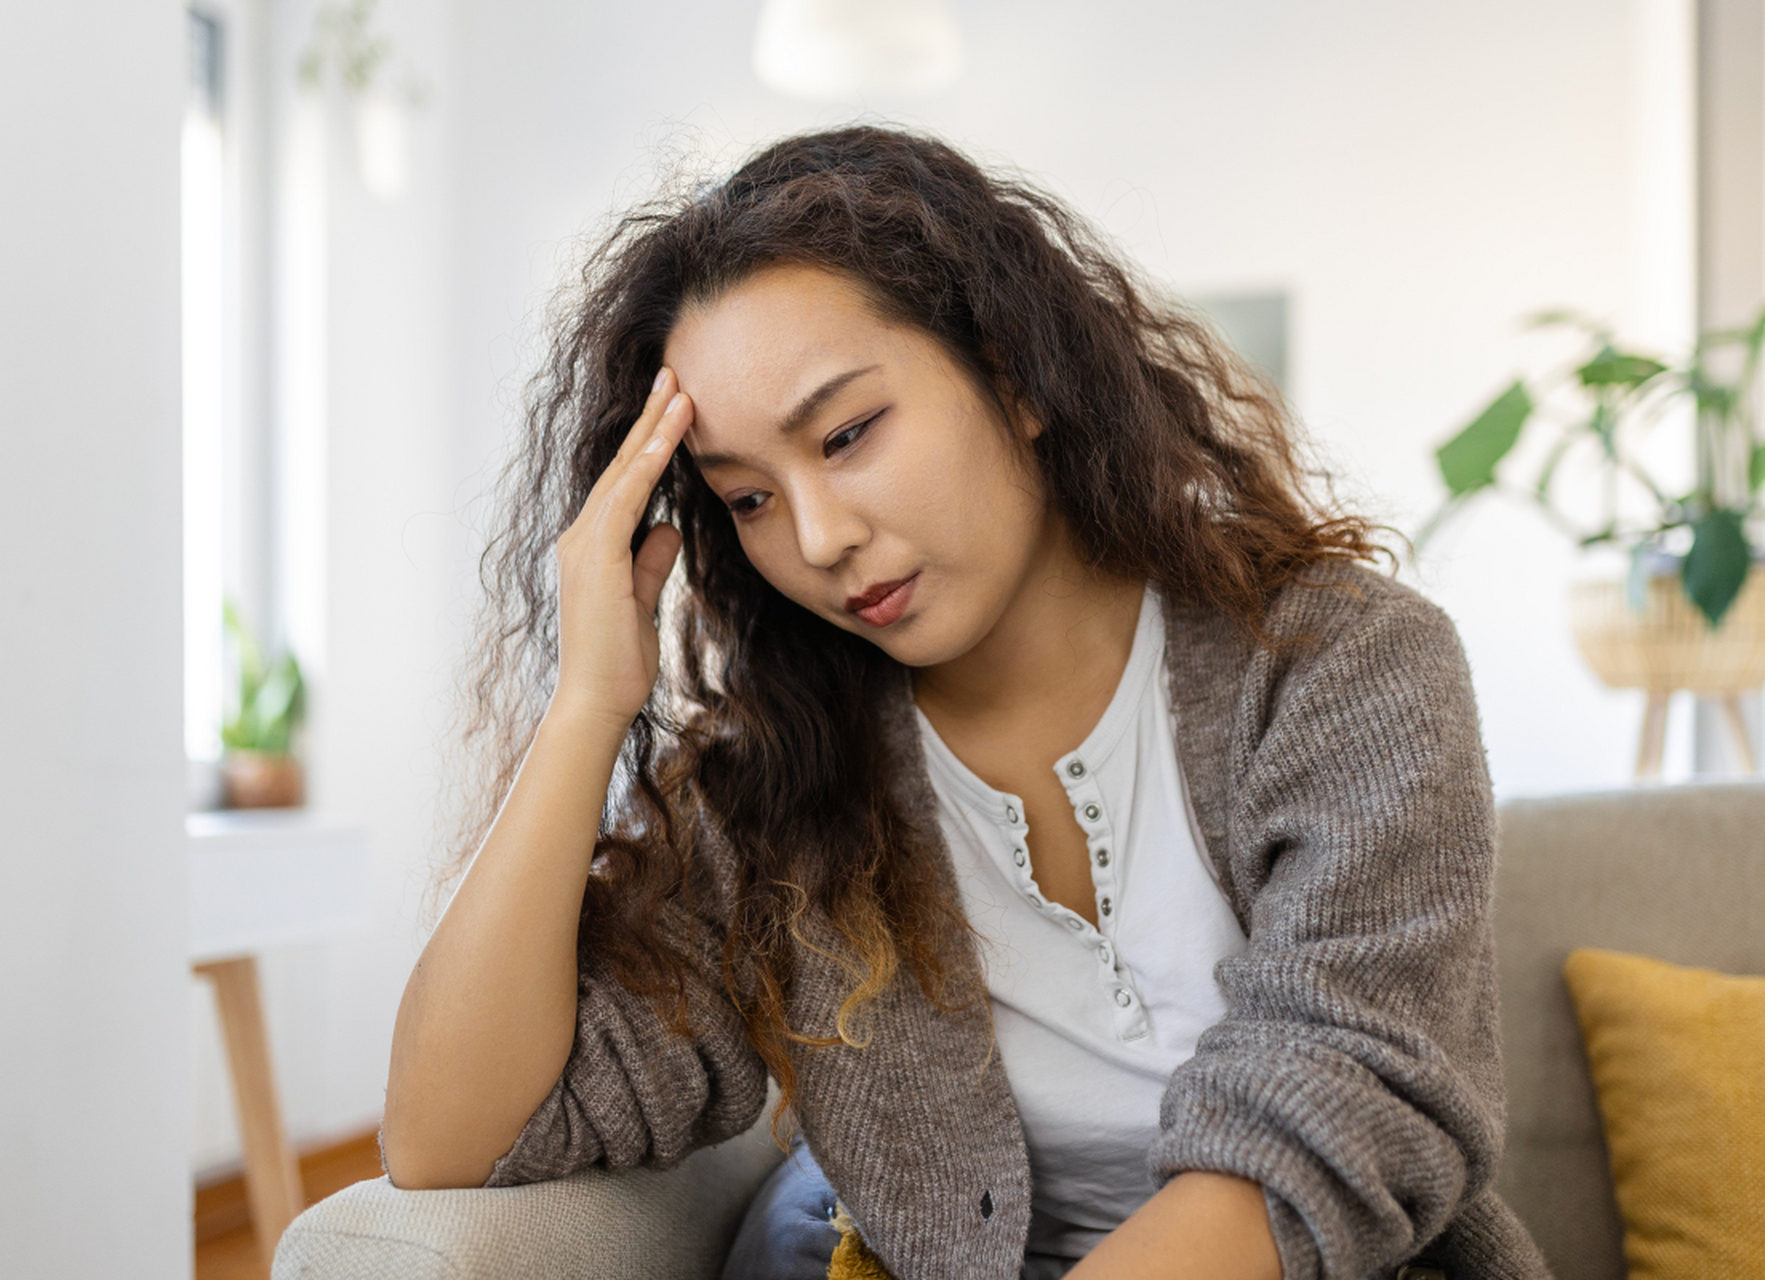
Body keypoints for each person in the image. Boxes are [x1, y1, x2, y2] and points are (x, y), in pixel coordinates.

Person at [380, 126, 1549, 1280]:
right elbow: (445, 1136)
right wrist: (588, 702)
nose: (823, 537)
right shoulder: (778, 786)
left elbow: (1341, 1108)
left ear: (1015, 373)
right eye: (747, 499)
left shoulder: (1343, 664)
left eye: (848, 434)